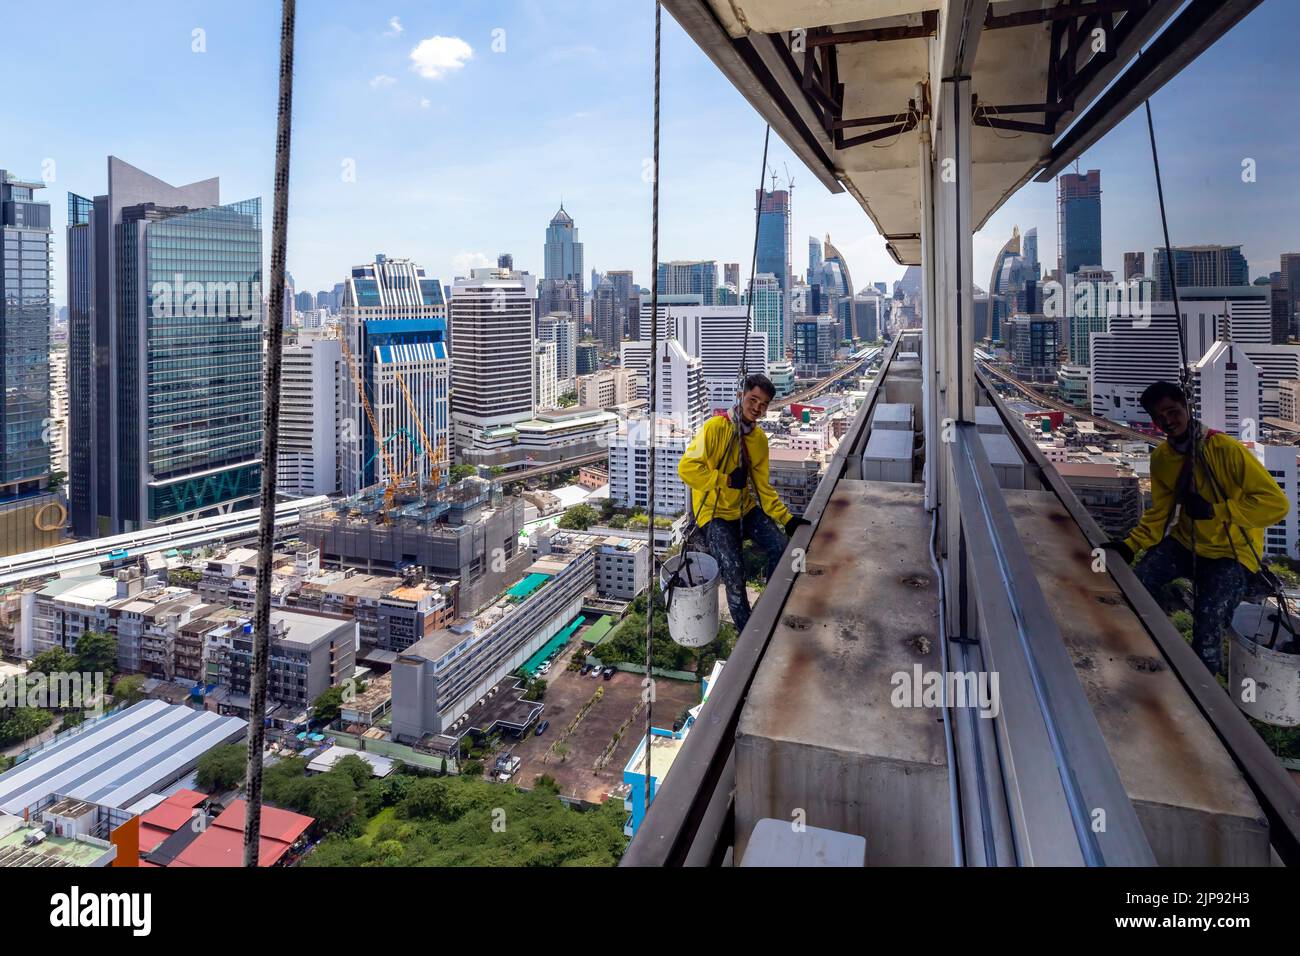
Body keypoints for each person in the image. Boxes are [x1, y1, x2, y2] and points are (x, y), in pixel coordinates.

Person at [1101, 380, 1289, 675]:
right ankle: (1138, 653)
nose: (1167, 421)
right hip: (1186, 543)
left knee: (1208, 619)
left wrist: (1218, 511)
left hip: (1231, 553)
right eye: (1159, 417)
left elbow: (1276, 504)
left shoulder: (1225, 450)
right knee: (1136, 585)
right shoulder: (1163, 458)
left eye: (1173, 412)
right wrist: (1130, 545)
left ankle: (1203, 685)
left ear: (1187, 407)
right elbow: (1160, 513)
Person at [678, 373, 809, 631]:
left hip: (744, 509)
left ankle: (771, 607)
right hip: (713, 514)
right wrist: (724, 480)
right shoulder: (715, 428)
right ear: (741, 395)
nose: (757, 408)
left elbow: (762, 487)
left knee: (782, 547)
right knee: (734, 575)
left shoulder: (758, 440)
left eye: (763, 404)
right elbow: (686, 468)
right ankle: (749, 632)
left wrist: (787, 519)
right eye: (753, 400)